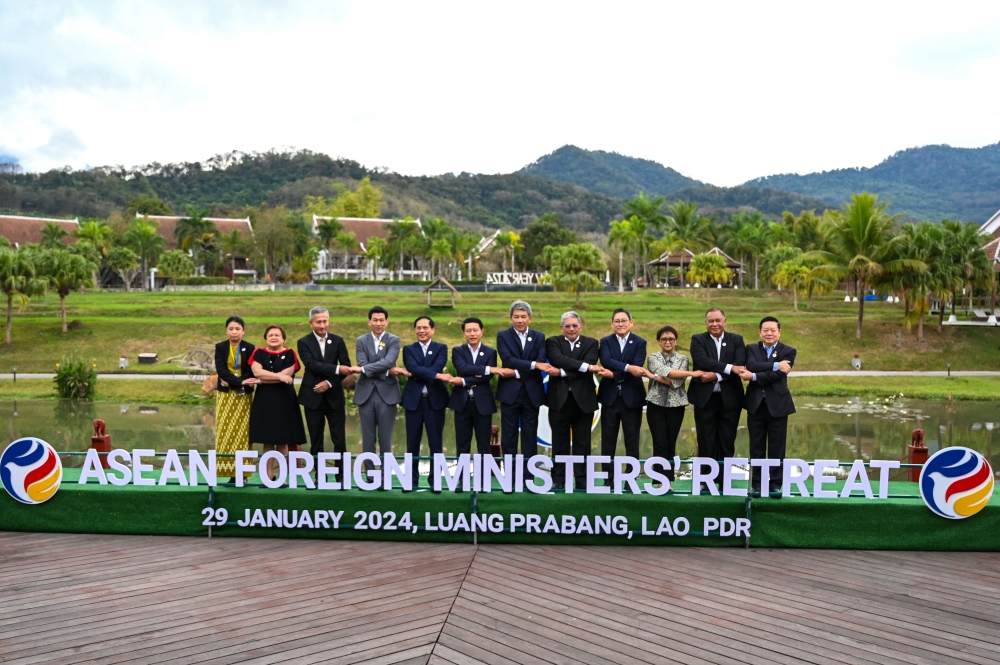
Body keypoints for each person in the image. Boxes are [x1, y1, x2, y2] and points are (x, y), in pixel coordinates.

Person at [736, 316, 796, 495]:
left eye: (773, 330)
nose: (769, 333)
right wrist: (776, 365)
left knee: (777, 446)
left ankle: (776, 483)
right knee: (756, 446)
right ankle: (756, 483)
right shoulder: (752, 348)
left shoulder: (789, 351)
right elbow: (752, 365)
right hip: (756, 404)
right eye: (765, 330)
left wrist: (753, 377)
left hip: (778, 405)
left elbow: (777, 376)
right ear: (759, 332)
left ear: (779, 332)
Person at [545, 311, 601, 491]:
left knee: (583, 442)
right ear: (561, 327)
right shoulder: (553, 342)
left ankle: (583, 480)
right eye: (567, 326)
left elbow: (589, 361)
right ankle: (559, 479)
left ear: (580, 326)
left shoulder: (591, 343)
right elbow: (557, 359)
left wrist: (561, 372)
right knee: (559, 442)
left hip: (583, 401)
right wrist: (586, 367)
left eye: (574, 325)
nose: (571, 329)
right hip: (558, 400)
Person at [687, 308, 746, 477]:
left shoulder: (736, 340)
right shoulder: (698, 339)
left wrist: (716, 375)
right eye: (710, 321)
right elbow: (702, 361)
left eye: (718, 320)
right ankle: (705, 479)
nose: (714, 324)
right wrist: (729, 368)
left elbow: (740, 364)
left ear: (725, 321)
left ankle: (724, 478)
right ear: (705, 323)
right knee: (705, 440)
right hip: (705, 399)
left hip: (730, 399)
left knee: (727, 439)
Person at [297, 307, 352, 481]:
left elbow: (346, 367)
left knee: (339, 439)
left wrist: (329, 383)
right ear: (311, 323)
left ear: (329, 321)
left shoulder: (338, 341)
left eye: (325, 321)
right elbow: (311, 364)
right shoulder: (303, 342)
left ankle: (341, 476)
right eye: (318, 321)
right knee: (316, 438)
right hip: (312, 396)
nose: (322, 325)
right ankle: (320, 476)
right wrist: (336, 369)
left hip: (334, 395)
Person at [350, 306, 406, 474]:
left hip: (387, 393)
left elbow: (389, 361)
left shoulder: (393, 340)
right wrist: (383, 370)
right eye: (375, 320)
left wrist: (369, 370)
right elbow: (361, 362)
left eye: (382, 320)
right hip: (365, 393)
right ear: (369, 322)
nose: (378, 323)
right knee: (367, 438)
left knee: (386, 437)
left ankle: (385, 473)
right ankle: (369, 474)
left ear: (386, 322)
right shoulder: (361, 340)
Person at [248, 324, 307, 483]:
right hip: (265, 400)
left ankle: (282, 477)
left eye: (277, 335)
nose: (274, 337)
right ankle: (269, 476)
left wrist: (264, 380)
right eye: (270, 335)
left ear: (283, 338)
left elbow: (288, 373)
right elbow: (257, 372)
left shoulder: (290, 353)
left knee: (283, 439)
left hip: (285, 400)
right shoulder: (258, 353)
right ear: (266, 338)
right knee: (268, 440)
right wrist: (279, 378)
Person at [495, 301, 554, 457]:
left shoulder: (539, 336)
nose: (519, 320)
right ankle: (510, 475)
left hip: (532, 392)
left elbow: (542, 360)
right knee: (509, 435)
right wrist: (533, 365)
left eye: (523, 316)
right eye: (516, 317)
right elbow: (508, 360)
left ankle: (528, 475)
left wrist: (515, 372)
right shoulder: (503, 336)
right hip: (510, 392)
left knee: (529, 434)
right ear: (511, 318)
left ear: (530, 318)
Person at [644, 325, 703, 481]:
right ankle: (658, 481)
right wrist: (690, 373)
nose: (667, 342)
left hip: (676, 406)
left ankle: (668, 479)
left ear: (676, 341)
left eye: (671, 339)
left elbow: (674, 381)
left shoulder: (683, 359)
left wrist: (654, 376)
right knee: (659, 442)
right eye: (664, 339)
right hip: (655, 405)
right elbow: (664, 372)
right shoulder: (653, 357)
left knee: (671, 442)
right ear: (658, 341)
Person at [597, 308, 647, 488]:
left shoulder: (640, 342)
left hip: (632, 398)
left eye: (624, 320)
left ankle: (630, 480)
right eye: (617, 321)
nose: (620, 324)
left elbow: (638, 366)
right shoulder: (605, 341)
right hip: (610, 398)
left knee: (632, 441)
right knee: (608, 441)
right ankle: (607, 479)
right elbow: (606, 361)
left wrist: (615, 374)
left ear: (631, 323)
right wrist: (627, 368)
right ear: (612, 324)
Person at [401, 316, 450, 485]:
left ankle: (435, 480)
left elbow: (436, 365)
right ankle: (411, 480)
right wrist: (436, 375)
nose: (421, 331)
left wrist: (419, 373)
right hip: (413, 401)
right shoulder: (408, 349)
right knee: (412, 443)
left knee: (436, 443)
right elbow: (412, 367)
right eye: (418, 328)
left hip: (435, 401)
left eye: (425, 328)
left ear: (432, 330)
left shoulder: (441, 348)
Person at [214, 316, 258, 484]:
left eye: (237, 329)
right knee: (225, 433)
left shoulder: (250, 348)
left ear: (243, 331)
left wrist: (240, 382)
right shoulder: (220, 347)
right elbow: (221, 371)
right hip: (225, 395)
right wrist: (238, 382)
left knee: (242, 434)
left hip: (244, 396)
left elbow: (250, 371)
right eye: (231, 329)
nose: (234, 332)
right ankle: (227, 471)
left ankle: (242, 474)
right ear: (226, 330)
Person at [448, 317, 498, 456]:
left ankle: (484, 476)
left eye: (475, 330)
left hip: (483, 403)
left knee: (484, 443)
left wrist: (463, 381)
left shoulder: (490, 352)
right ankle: (462, 476)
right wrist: (486, 369)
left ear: (482, 332)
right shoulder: (458, 351)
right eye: (468, 331)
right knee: (462, 443)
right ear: (463, 333)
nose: (472, 334)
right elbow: (462, 368)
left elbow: (488, 376)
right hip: (462, 402)